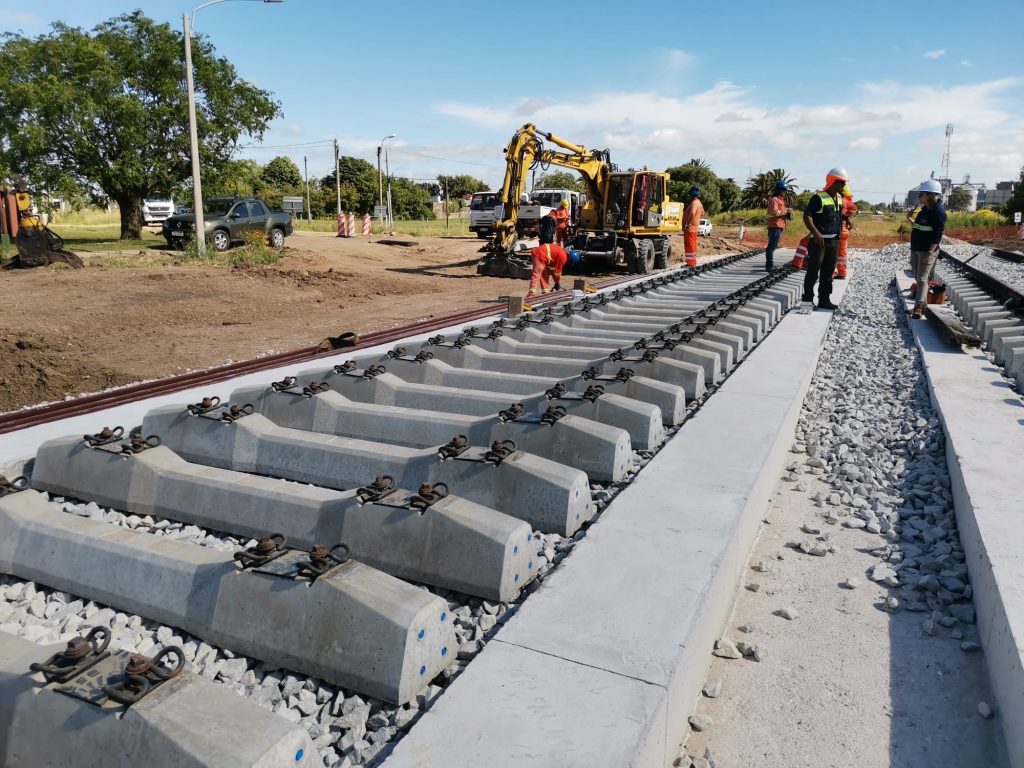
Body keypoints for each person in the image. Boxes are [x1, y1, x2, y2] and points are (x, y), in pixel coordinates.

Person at [799, 167, 848, 313]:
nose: (844, 186)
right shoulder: (818, 197)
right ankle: (807, 301)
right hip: (818, 242)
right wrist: (816, 233)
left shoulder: (839, 198)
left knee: (828, 272)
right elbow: (807, 216)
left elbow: (836, 216)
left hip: (833, 241)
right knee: (813, 272)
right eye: (841, 182)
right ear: (833, 182)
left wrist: (845, 219)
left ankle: (824, 300)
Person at [906, 179, 947, 319]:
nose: (919, 197)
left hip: (927, 250)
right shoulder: (923, 211)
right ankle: (922, 304)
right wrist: (909, 219)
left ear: (930, 195)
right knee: (918, 277)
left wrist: (929, 253)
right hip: (916, 248)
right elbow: (919, 228)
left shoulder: (939, 213)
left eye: (921, 194)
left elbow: (937, 235)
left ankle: (918, 308)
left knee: (922, 279)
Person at [527, 222, 568, 297]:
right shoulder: (563, 258)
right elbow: (557, 272)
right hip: (539, 254)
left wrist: (556, 282)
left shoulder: (561, 253)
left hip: (542, 255)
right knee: (537, 272)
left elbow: (553, 270)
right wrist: (557, 282)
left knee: (544, 272)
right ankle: (531, 294)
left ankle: (545, 292)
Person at [765, 181, 791, 271]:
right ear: (778, 190)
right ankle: (769, 266)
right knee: (771, 246)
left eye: (785, 190)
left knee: (774, 245)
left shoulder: (781, 201)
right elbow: (774, 212)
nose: (784, 192)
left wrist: (788, 213)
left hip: (779, 225)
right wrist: (786, 211)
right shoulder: (774, 200)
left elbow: (781, 212)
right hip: (774, 225)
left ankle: (770, 265)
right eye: (783, 190)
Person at [835, 185, 858, 279]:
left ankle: (830, 274)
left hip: (837, 231)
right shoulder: (848, 202)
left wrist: (843, 215)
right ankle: (842, 273)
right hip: (845, 231)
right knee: (842, 253)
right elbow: (854, 209)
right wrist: (846, 216)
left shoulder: (837, 200)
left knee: (832, 254)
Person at [682, 187, 704, 267]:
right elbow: (702, 213)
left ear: (692, 195)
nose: (689, 196)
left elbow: (692, 213)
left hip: (690, 228)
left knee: (689, 245)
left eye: (689, 195)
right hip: (695, 228)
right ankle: (693, 262)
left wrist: (688, 223)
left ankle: (690, 263)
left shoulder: (694, 203)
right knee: (692, 244)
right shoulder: (699, 203)